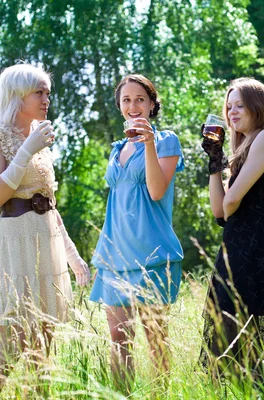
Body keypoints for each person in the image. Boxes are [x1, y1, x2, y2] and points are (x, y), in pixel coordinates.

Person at [0, 64, 91, 399]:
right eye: (39, 91)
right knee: (10, 347)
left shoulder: (39, 139)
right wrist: (27, 150)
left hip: (45, 248)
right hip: (14, 248)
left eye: (47, 92)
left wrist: (74, 257)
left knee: (42, 352)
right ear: (17, 94)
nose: (46, 99)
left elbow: (48, 205)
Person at [89, 74, 184, 392]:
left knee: (155, 339)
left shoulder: (166, 140)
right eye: (126, 100)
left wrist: (147, 145)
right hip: (115, 253)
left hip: (151, 253)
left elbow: (157, 191)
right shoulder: (116, 149)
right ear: (119, 106)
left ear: (152, 104)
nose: (133, 106)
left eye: (140, 99)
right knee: (118, 340)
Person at [199, 77, 264, 394]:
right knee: (225, 338)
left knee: (251, 341)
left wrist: (228, 194)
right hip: (233, 249)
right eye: (229, 106)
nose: (232, 112)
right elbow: (219, 213)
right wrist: (215, 162)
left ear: (258, 106)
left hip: (254, 252)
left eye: (240, 105)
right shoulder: (244, 149)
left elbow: (231, 201)